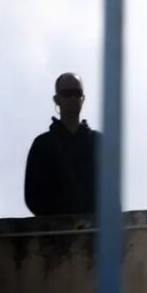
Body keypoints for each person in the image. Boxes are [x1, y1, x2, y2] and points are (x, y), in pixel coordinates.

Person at [24, 73, 101, 216]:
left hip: (96, 227)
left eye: (77, 93)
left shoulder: (100, 143)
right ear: (56, 99)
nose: (72, 98)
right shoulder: (42, 145)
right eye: (66, 93)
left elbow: (112, 192)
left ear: (83, 98)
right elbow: (33, 196)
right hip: (55, 227)